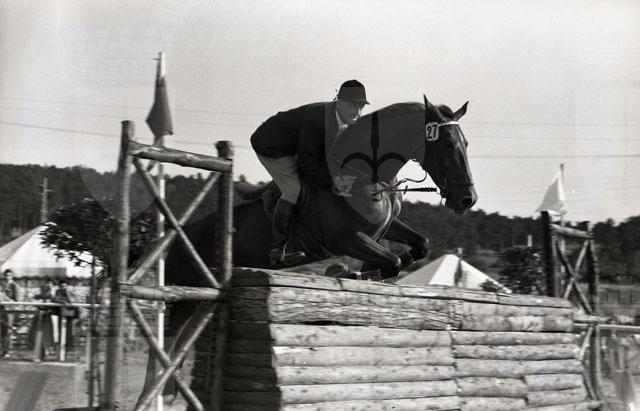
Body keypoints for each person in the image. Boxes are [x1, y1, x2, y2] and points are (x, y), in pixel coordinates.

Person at [250, 80, 369, 266]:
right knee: (293, 189)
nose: (358, 112)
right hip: (270, 145)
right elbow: (307, 164)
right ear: (339, 103)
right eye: (354, 106)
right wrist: (335, 182)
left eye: (361, 107)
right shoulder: (318, 120)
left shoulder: (341, 121)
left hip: (293, 143)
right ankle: (277, 250)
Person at [1, 270, 20, 357]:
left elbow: (17, 299)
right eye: (6, 275)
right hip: (2, 310)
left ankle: (7, 351)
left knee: (8, 330)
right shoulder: (2, 284)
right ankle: (2, 350)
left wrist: (6, 298)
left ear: (12, 276)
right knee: (2, 330)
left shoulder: (14, 285)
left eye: (9, 275)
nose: (7, 277)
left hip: (10, 310)